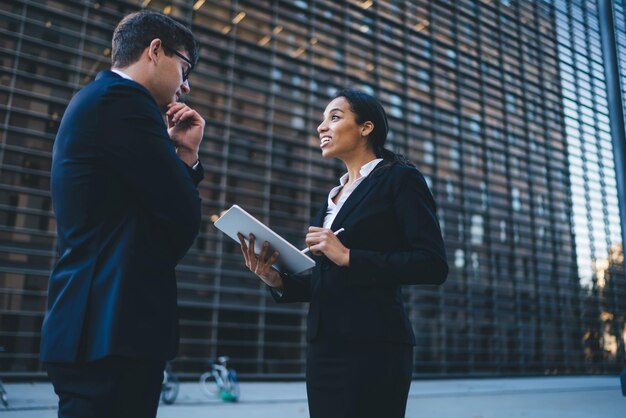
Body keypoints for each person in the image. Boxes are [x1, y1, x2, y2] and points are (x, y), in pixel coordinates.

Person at [238, 88, 448, 418]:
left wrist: (349, 256)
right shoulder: (333, 196)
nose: (322, 126)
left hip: (374, 344)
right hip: (325, 348)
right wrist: (275, 279)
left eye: (334, 117)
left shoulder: (399, 180)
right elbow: (329, 279)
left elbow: (433, 265)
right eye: (322, 120)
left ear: (366, 127)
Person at [39, 11, 204, 418]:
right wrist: (186, 158)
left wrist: (180, 156)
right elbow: (182, 214)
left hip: (98, 325)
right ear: (154, 51)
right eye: (185, 68)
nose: (186, 85)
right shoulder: (125, 102)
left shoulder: (101, 101)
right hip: (109, 328)